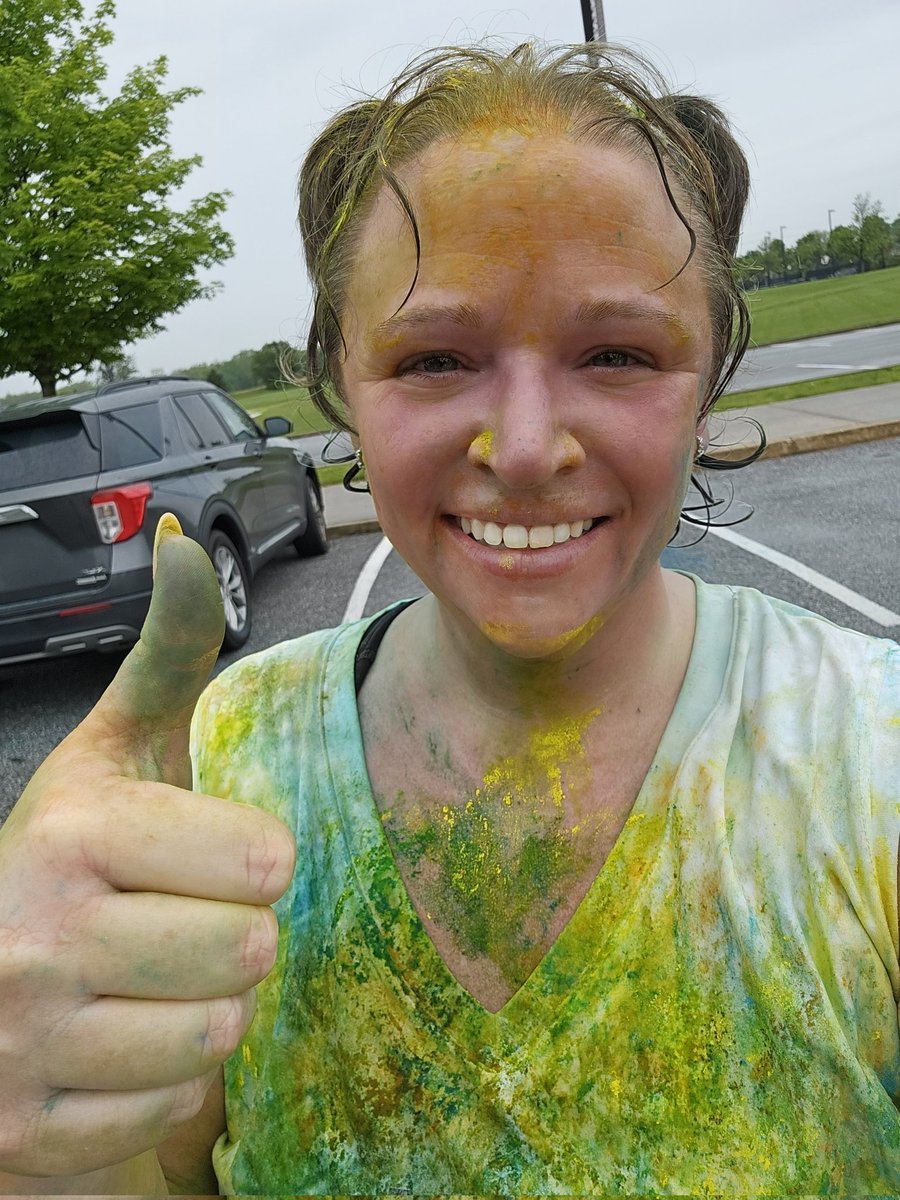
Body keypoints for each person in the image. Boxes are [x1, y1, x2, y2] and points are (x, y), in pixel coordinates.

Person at [0, 40, 898, 1196]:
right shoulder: (229, 752)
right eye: (434, 359)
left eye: (618, 353)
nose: (524, 450)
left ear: (710, 375)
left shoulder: (868, 756)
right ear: (341, 383)